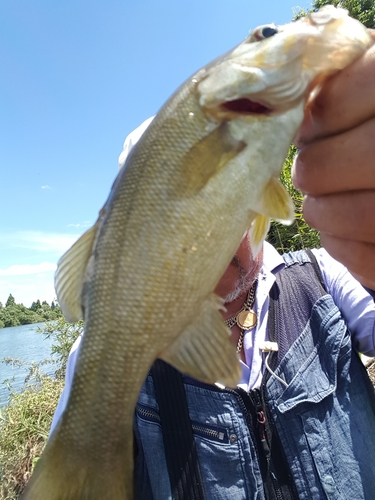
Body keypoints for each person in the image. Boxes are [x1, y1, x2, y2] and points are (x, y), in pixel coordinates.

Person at [50, 39, 375, 499]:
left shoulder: (327, 278)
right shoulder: (102, 351)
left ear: (256, 196)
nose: (195, 237)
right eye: (166, 222)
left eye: (212, 197)